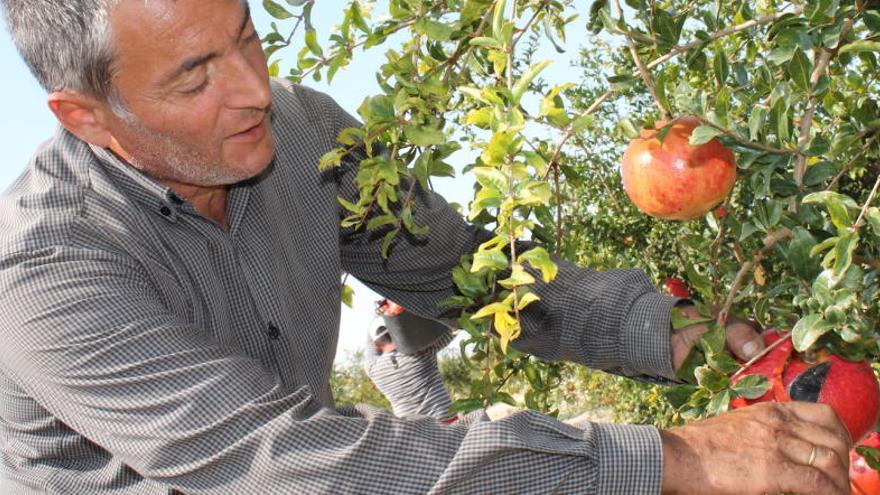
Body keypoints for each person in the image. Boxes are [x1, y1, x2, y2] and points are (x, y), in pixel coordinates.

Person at [0, 0, 852, 493]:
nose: (254, 89)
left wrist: (659, 327)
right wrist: (671, 458)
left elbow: (469, 274)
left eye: (248, 37)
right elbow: (294, 467)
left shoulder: (308, 136)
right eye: (195, 76)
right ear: (86, 115)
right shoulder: (45, 276)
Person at [364, 300, 456, 421]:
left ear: (377, 344)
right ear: (398, 332)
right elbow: (454, 328)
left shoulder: (372, 368)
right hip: (445, 421)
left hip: (412, 431)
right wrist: (389, 308)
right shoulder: (420, 351)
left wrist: (380, 313)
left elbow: (370, 343)